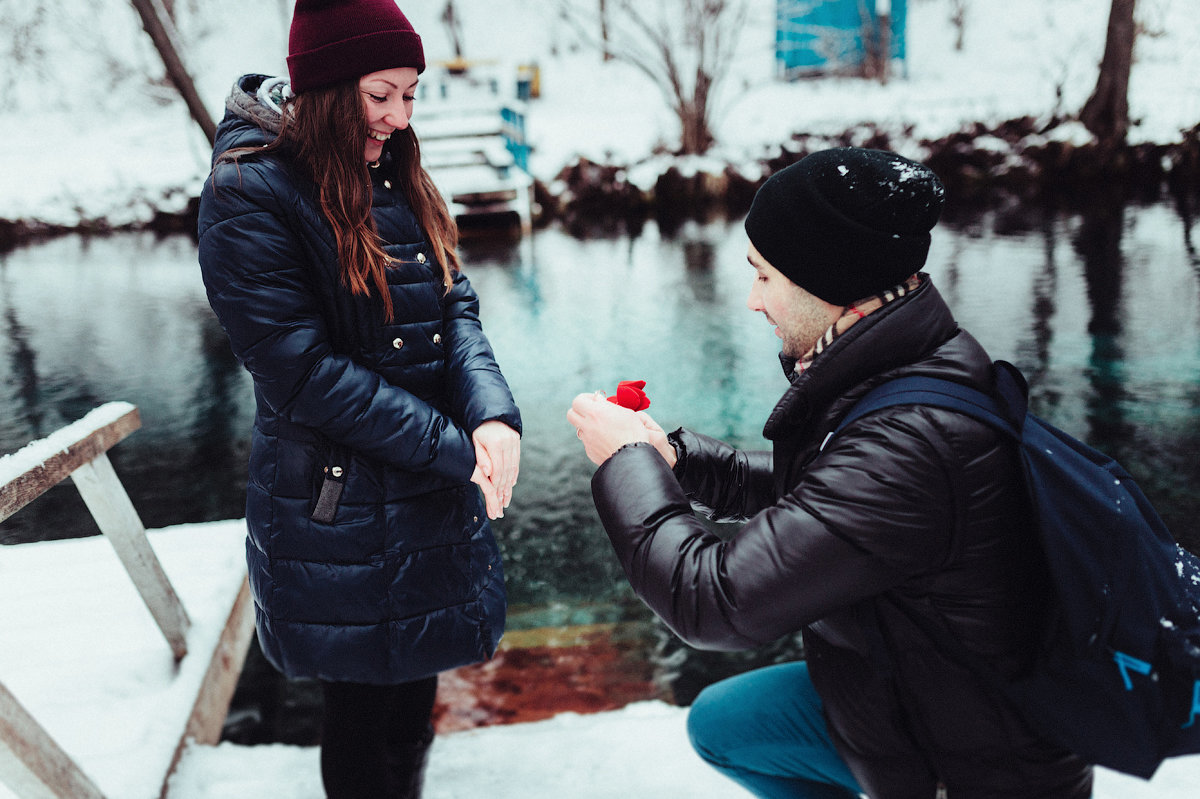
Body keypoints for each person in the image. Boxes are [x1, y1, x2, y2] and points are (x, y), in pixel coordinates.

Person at [567, 147, 1093, 798]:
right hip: (908, 694)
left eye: (763, 277)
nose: (752, 301)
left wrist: (625, 460)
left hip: (974, 768)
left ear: (827, 282)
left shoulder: (913, 442)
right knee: (726, 723)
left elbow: (715, 598)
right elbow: (826, 495)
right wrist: (677, 460)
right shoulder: (906, 359)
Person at [197, 2, 521, 797]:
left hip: (427, 478)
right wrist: (456, 448)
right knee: (359, 704)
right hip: (335, 500)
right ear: (329, 88)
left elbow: (454, 304)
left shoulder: (391, 166)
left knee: (414, 692)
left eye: (410, 96)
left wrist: (491, 413)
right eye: (382, 95)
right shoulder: (248, 192)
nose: (399, 118)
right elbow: (299, 371)